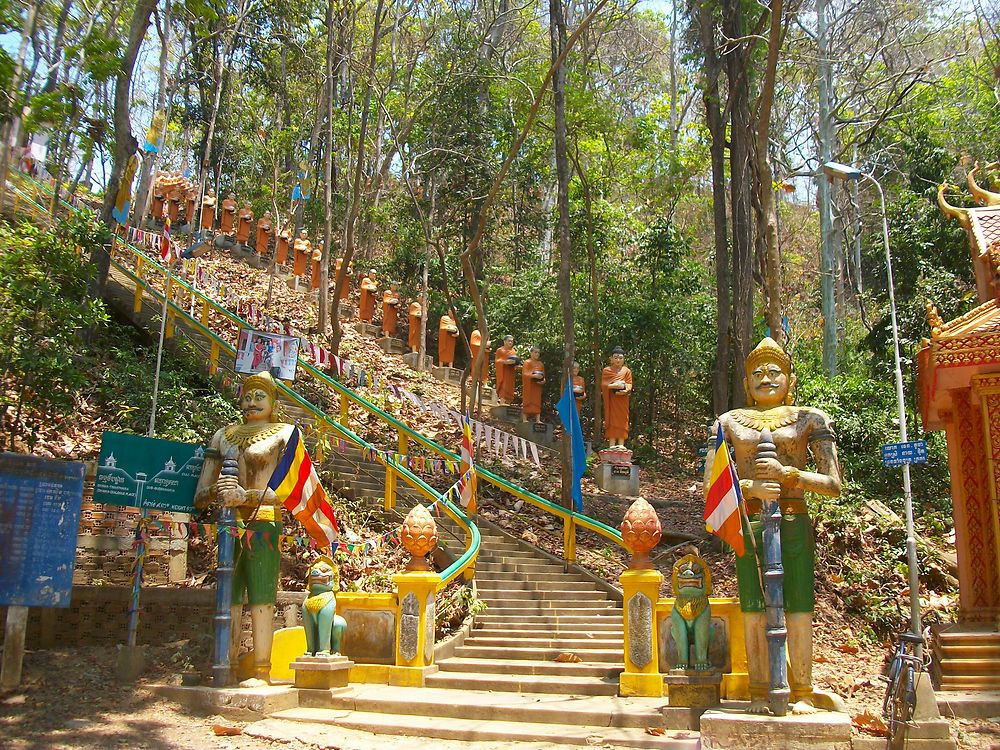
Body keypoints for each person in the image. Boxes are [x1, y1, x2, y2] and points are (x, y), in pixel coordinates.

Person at [705, 337, 841, 715]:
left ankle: (801, 689)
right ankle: (760, 689)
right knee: (753, 605)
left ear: (790, 380)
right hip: (748, 521)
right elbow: (711, 485)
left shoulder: (810, 418)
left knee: (798, 605)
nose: (766, 378)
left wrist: (791, 475)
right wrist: (749, 486)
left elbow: (833, 484)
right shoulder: (729, 422)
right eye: (757, 373)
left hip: (794, 519)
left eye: (774, 371)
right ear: (747, 384)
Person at [194, 373, 296, 687]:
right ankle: (227, 662)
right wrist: (217, 493)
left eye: (259, 396)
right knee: (229, 593)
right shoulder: (224, 435)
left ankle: (262, 669)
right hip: (227, 520)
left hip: (264, 518)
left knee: (261, 593)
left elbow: (291, 491)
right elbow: (200, 494)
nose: (251, 402)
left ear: (274, 403)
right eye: (247, 396)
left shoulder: (286, 434)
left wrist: (247, 496)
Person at [600, 347, 633, 448]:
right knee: (612, 420)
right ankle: (612, 443)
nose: (618, 360)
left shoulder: (626, 371)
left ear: (623, 359)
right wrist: (614, 385)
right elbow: (604, 385)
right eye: (615, 358)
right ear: (611, 359)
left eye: (620, 358)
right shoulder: (607, 370)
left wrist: (624, 389)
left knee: (623, 420)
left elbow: (629, 384)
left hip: (622, 400)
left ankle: (621, 443)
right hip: (612, 400)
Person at [521, 346, 545, 423]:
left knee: (537, 401)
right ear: (531, 353)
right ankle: (525, 418)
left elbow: (543, 375)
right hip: (529, 386)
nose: (537, 354)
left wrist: (543, 380)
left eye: (538, 353)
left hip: (537, 386)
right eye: (535, 352)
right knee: (528, 400)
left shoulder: (541, 364)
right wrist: (533, 375)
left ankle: (538, 419)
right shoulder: (527, 362)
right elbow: (524, 374)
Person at [494, 335, 519, 404]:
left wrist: (516, 365)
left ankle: (508, 403)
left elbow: (515, 362)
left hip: (511, 373)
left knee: (510, 388)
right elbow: (497, 361)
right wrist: (505, 362)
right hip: (503, 372)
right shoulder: (500, 350)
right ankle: (502, 403)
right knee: (503, 388)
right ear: (504, 341)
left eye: (512, 341)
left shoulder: (513, 351)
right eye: (509, 341)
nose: (510, 342)